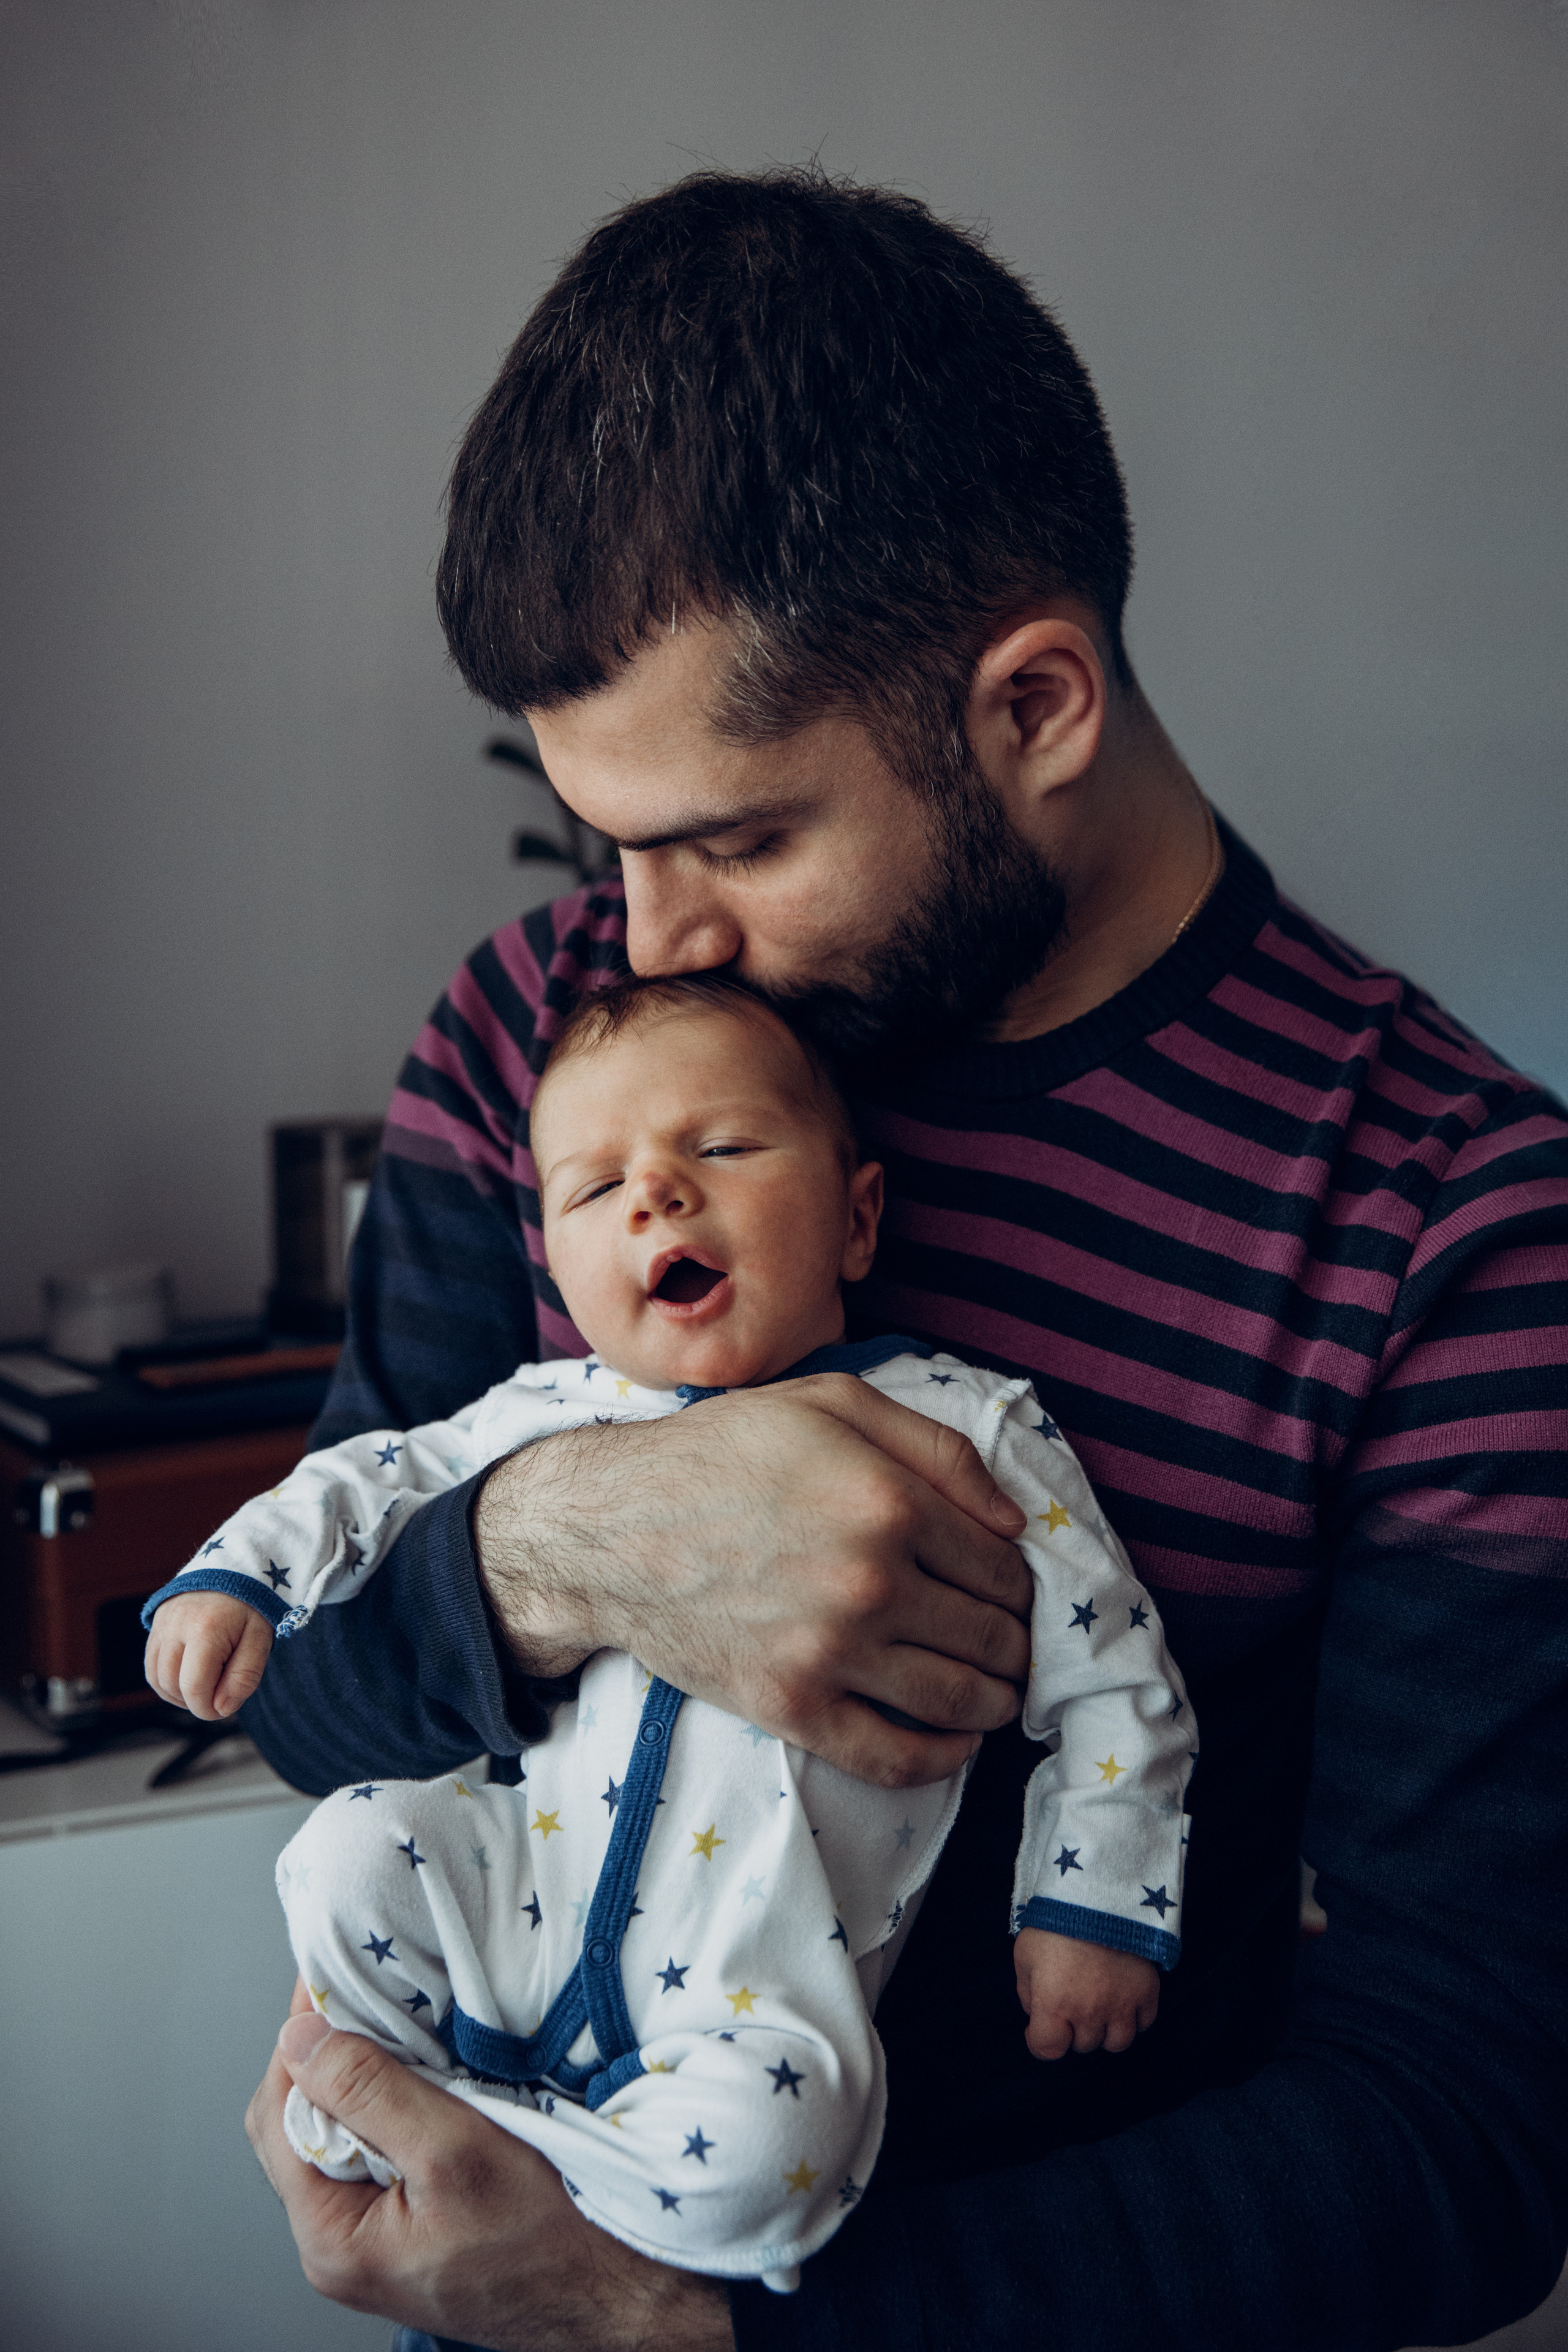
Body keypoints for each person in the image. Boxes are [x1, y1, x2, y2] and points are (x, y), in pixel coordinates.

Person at [241, 170, 1568, 2352]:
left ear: (1033, 703)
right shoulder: (546, 1049)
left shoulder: (1451, 1229)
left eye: (737, 838)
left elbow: (1463, 2132)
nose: (642, 938)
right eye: (607, 838)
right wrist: (568, 1544)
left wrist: (685, 2326)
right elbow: (296, 1687)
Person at [144, 977, 1193, 2293]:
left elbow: (1112, 1678)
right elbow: (366, 1479)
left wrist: (1092, 1898)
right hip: (513, 1919)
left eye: (720, 1149)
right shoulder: (539, 1412)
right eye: (595, 1190)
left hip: (751, 1987)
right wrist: (237, 1574)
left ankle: (496, 2163)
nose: (655, 1197)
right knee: (346, 1849)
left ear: (857, 1215)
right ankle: (442, 2111)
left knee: (774, 2156)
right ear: (559, 1261)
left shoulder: (969, 1430)